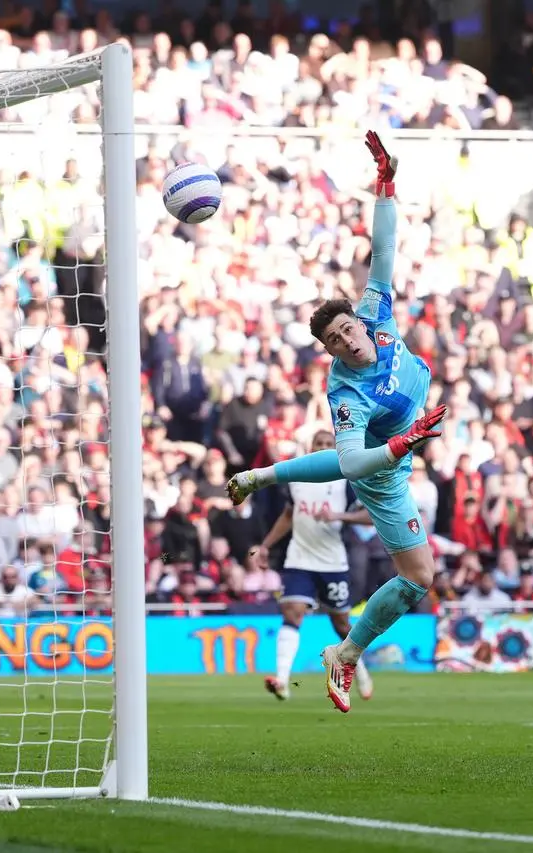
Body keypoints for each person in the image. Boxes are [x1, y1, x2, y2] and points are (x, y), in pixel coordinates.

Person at [225, 132, 446, 713]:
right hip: (383, 468)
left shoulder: (374, 315)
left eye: (346, 328)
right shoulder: (346, 392)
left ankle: (262, 476)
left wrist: (386, 185)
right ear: (328, 349)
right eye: (334, 340)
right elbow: (349, 464)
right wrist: (401, 444)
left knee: (420, 574)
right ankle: (345, 655)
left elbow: (385, 250)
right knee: (419, 576)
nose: (348, 339)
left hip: (406, 439)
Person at [250, 430, 376, 703]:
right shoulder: (298, 478)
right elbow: (288, 515)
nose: (323, 448)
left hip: (332, 562)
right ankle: (282, 680)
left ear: (336, 448)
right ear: (310, 447)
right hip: (299, 559)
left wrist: (339, 516)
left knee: (342, 625)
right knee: (292, 613)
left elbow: (371, 516)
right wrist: (266, 545)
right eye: (318, 444)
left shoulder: (347, 481)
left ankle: (361, 672)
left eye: (328, 444)